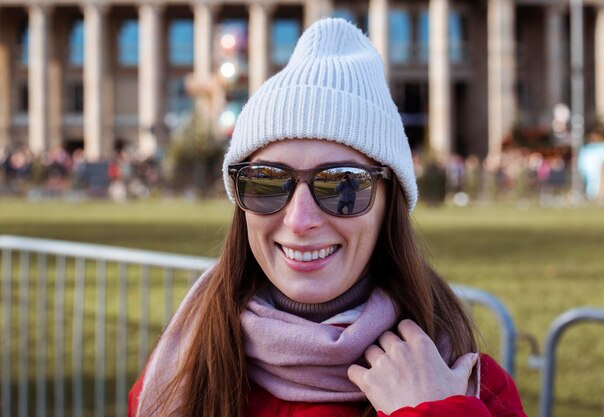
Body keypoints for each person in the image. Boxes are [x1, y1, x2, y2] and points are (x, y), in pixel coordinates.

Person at [128, 18, 526, 417]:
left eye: (342, 185)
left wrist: (435, 410)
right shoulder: (182, 366)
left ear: (390, 203)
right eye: (267, 182)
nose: (300, 220)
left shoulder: (469, 387)